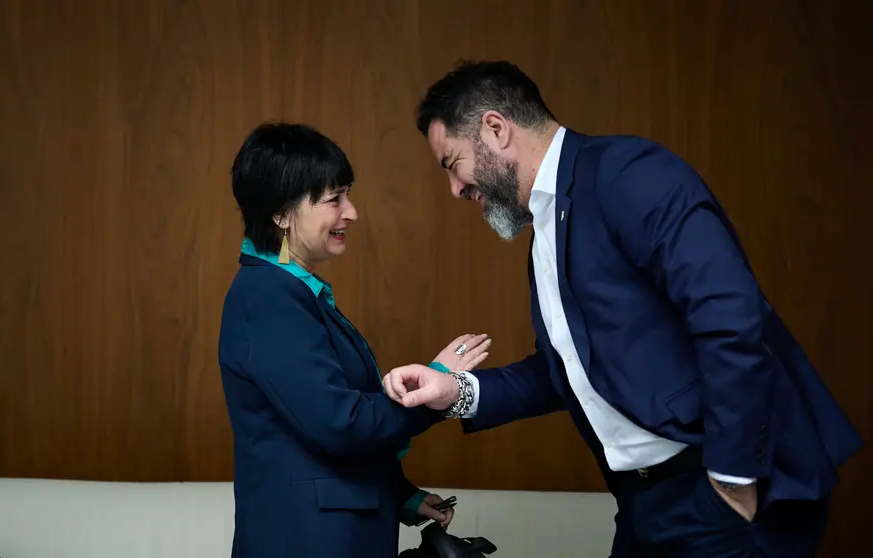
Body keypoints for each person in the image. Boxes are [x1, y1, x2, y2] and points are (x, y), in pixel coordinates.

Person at [383, 60, 863, 557]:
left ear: (496, 129)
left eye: (451, 163)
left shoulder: (627, 173)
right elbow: (566, 372)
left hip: (716, 493)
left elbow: (730, 320)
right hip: (644, 504)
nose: (456, 188)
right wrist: (456, 391)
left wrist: (732, 480)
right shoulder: (545, 231)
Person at [218, 122, 490, 558]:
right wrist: (437, 384)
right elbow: (338, 424)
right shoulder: (269, 297)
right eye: (334, 199)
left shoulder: (288, 291)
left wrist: (399, 492)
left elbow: (311, 428)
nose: (352, 212)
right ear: (281, 214)